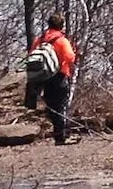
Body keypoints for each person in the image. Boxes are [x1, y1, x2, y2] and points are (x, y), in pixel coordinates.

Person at [25, 12, 81, 146]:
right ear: (61, 26)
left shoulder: (40, 39)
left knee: (51, 107)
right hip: (59, 75)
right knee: (61, 106)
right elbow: (70, 57)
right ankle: (62, 137)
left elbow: (31, 54)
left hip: (44, 77)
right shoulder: (61, 40)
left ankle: (58, 135)